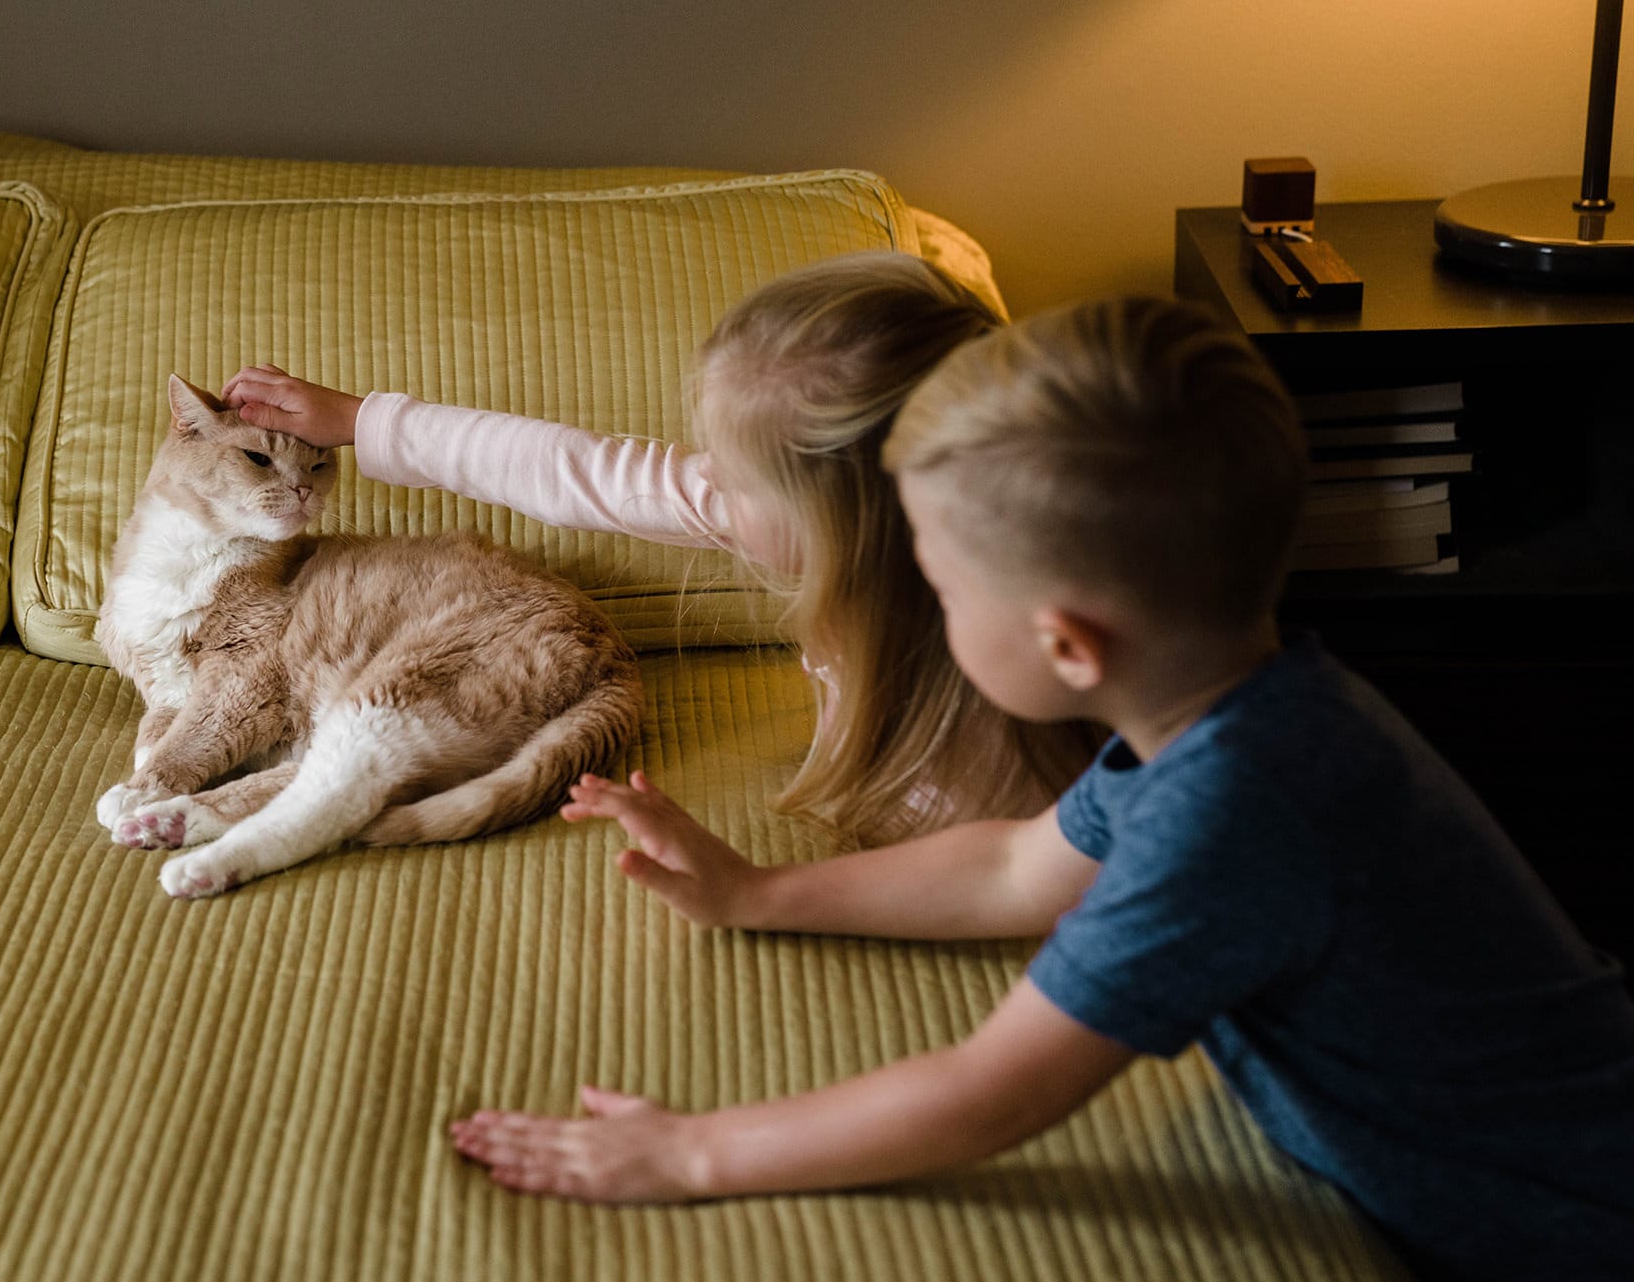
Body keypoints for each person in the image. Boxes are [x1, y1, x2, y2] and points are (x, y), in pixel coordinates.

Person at [447, 297, 1634, 1282]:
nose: (932, 606)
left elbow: (986, 1094)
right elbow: (1019, 862)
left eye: (949, 588)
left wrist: (691, 1154)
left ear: (1067, 644)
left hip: (1563, 1218)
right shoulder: (1243, 713)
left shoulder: (1228, 812)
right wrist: (763, 890)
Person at [222, 250, 1096, 845]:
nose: (706, 479)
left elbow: (1034, 865)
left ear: (848, 514)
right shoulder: (830, 522)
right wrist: (364, 421)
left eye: (738, 477)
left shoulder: (1005, 652)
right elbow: (572, 469)